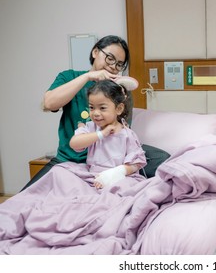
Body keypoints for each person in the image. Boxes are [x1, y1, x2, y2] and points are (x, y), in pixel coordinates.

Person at [21, 35, 169, 191]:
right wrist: (87, 77)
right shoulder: (69, 76)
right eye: (110, 58)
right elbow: (49, 103)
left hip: (108, 159)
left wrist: (120, 96)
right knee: (26, 196)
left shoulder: (119, 90)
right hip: (70, 159)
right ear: (95, 52)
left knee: (162, 159)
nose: (113, 66)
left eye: (119, 64)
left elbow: (120, 134)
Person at [70, 79, 146, 189]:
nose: (95, 113)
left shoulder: (127, 134)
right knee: (60, 171)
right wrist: (101, 134)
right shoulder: (91, 128)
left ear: (119, 109)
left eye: (102, 108)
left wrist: (115, 173)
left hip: (117, 178)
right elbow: (74, 143)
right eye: (92, 107)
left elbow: (137, 164)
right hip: (92, 176)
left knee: (127, 187)